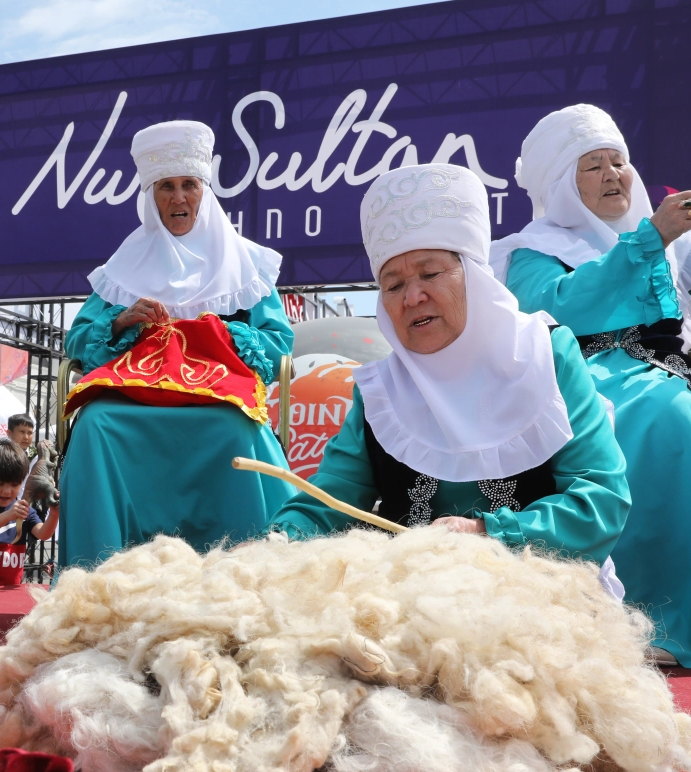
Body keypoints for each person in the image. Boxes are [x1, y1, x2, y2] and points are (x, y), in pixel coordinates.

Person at [488, 104, 691, 672]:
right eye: (593, 165)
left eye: (620, 161)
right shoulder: (530, 249)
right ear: (562, 183)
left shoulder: (681, 246)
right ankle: (598, 618)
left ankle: (675, 620)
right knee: (633, 416)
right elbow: (560, 305)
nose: (614, 174)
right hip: (571, 379)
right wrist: (650, 237)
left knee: (670, 408)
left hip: (660, 379)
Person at [268, 165, 630, 573]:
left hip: (536, 590)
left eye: (430, 273)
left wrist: (486, 535)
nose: (413, 296)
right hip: (409, 601)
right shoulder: (382, 390)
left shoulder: (545, 353)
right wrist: (279, 542)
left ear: (472, 276)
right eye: (393, 285)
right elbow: (329, 500)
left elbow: (600, 499)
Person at [60, 120, 296, 569]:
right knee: (93, 425)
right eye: (165, 186)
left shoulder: (246, 264)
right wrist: (121, 322)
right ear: (150, 197)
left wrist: (221, 333)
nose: (179, 197)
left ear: (205, 191)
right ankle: (97, 580)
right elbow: (78, 339)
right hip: (133, 401)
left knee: (238, 428)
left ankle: (250, 575)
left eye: (189, 184)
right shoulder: (124, 265)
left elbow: (277, 346)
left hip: (220, 402)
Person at [0, 439, 59, 545]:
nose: (7, 491)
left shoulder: (24, 509)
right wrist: (8, 515)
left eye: (14, 484)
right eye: (0, 483)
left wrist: (54, 514)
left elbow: (43, 534)